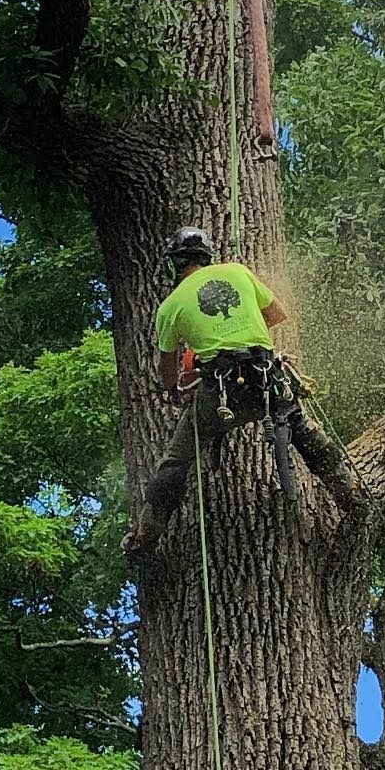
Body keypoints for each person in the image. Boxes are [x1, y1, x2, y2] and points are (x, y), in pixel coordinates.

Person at [124, 226, 297, 559]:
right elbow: (278, 314)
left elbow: (168, 370)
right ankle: (344, 486)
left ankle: (145, 536)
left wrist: (174, 390)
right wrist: (243, 333)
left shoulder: (170, 307)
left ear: (175, 263)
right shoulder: (238, 272)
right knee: (297, 424)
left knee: (176, 460)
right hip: (265, 376)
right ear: (207, 255)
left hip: (220, 391)